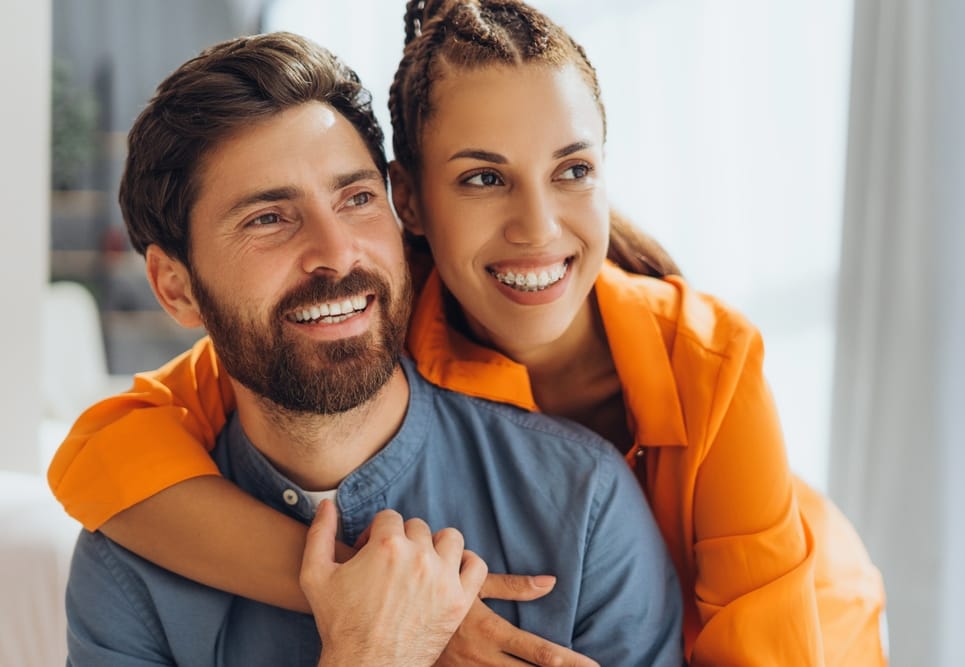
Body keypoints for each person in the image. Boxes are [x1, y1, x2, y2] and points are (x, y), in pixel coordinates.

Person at [50, 1, 887, 664]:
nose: (537, 227)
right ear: (413, 204)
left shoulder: (700, 371)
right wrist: (375, 620)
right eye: (483, 177)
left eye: (573, 169)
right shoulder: (363, 314)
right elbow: (100, 454)